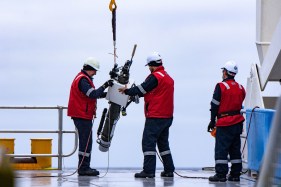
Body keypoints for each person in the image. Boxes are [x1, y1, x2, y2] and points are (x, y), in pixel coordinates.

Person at [119, 52, 175, 178]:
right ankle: (169, 170)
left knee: (148, 143)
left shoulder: (155, 77)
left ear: (151, 65)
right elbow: (151, 91)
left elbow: (142, 88)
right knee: (163, 145)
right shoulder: (167, 77)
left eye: (149, 66)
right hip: (167, 116)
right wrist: (136, 93)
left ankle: (149, 171)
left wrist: (127, 90)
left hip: (155, 116)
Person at [67, 57, 113, 176]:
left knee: (86, 141)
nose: (96, 73)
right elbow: (93, 94)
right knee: (86, 142)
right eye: (94, 70)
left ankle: (84, 167)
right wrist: (106, 85)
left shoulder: (83, 78)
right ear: (89, 69)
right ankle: (83, 168)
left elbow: (94, 94)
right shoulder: (83, 80)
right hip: (81, 115)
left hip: (82, 114)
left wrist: (108, 95)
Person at [207, 60, 246, 182]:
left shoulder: (221, 86)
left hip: (224, 122)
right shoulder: (241, 88)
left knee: (221, 149)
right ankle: (235, 174)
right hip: (237, 122)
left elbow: (214, 105)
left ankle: (221, 174)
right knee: (235, 149)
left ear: (225, 72)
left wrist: (212, 121)